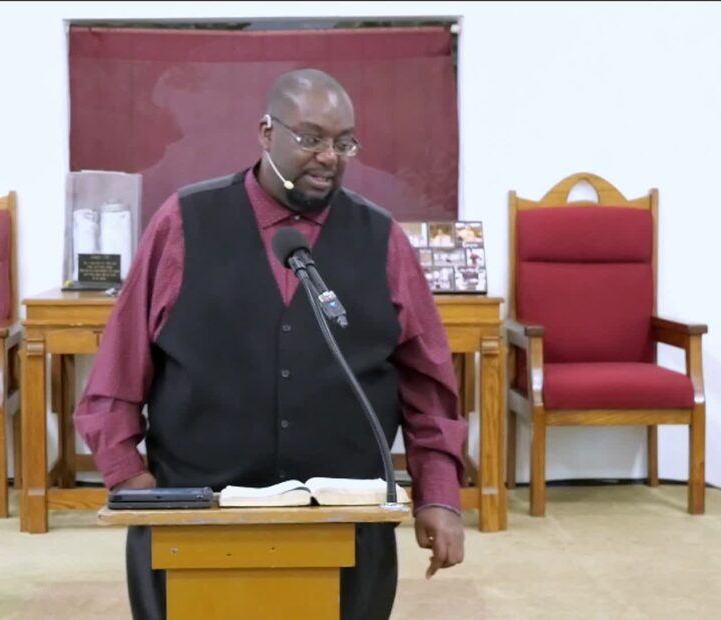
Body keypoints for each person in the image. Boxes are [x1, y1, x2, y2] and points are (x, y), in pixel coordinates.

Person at [74, 68, 467, 620]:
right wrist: (130, 478)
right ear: (266, 132)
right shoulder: (183, 223)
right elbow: (118, 368)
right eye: (310, 138)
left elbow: (428, 387)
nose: (328, 157)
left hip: (345, 520)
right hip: (198, 518)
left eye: (344, 143)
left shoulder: (382, 239)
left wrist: (439, 494)